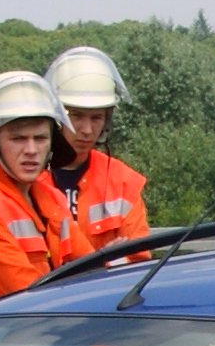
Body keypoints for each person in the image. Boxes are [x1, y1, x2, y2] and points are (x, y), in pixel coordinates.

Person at [0, 71, 84, 311]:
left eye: (40, 138)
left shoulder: (51, 198)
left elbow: (93, 270)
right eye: (18, 139)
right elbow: (27, 301)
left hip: (49, 338)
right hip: (0, 344)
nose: (31, 150)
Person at [44, 45, 150, 255]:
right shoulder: (28, 179)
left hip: (109, 289)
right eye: (76, 116)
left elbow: (138, 261)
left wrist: (102, 266)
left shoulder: (122, 182)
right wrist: (106, 259)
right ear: (56, 117)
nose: (87, 130)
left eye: (96, 118)